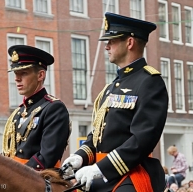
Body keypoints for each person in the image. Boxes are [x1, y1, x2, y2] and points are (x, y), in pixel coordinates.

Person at [62, 12, 168, 192]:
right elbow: (98, 134)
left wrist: (100, 168)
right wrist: (80, 156)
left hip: (130, 174)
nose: (106, 46)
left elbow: (142, 140)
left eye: (112, 40)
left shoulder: (149, 82)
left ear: (130, 42)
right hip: (100, 174)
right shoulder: (111, 88)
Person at [2, 45, 71, 170]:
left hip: (39, 181)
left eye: (23, 73)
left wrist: (14, 175)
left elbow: (46, 159)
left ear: (40, 75)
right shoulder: (18, 112)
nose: (17, 79)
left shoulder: (54, 109)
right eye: (16, 73)